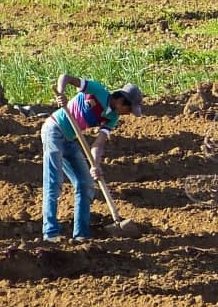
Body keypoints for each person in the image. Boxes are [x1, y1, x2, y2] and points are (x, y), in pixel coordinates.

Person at [42, 73, 143, 242]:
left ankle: (81, 235)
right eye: (129, 109)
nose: (128, 114)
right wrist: (61, 93)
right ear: (121, 101)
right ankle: (50, 233)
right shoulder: (97, 91)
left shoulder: (112, 118)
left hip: (71, 138)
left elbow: (98, 144)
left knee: (85, 182)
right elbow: (65, 77)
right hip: (53, 130)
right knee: (54, 181)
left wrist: (95, 165)